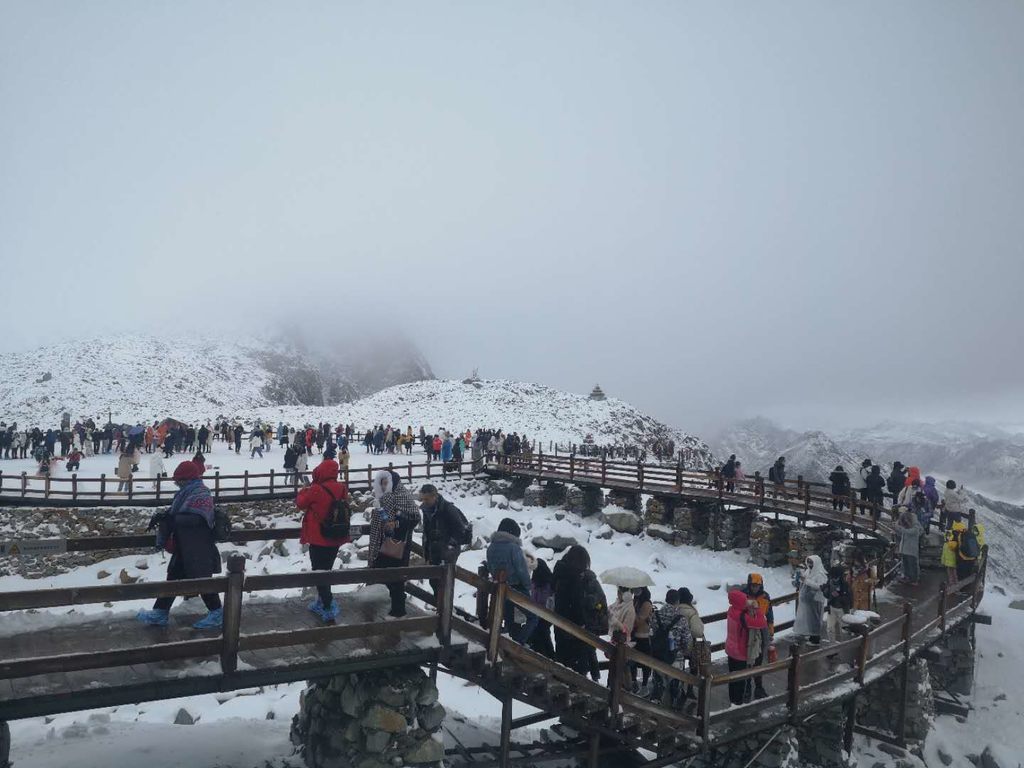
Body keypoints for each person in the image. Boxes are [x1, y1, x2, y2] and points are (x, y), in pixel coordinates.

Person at [137, 461, 223, 629]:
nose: (176, 482)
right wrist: (166, 516)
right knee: (173, 579)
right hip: (185, 545)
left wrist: (170, 519)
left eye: (179, 479)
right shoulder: (186, 492)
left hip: (198, 546)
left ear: (187, 479)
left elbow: (196, 519)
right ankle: (160, 613)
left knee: (202, 580)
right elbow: (179, 514)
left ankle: (217, 614)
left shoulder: (201, 493)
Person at [296, 458, 351, 623]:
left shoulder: (316, 489)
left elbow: (300, 504)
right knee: (326, 570)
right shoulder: (342, 487)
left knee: (318, 572)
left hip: (318, 538)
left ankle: (327, 607)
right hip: (335, 535)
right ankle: (323, 601)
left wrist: (303, 491)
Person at [368, 470, 421, 618]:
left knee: (395, 577)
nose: (384, 486)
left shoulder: (401, 495)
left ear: (394, 483)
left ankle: (398, 610)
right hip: (383, 543)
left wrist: (395, 523)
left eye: (386, 483)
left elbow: (414, 517)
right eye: (382, 483)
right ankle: (393, 607)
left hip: (397, 544)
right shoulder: (384, 497)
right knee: (386, 574)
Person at [485, 518, 532, 641]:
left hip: (500, 587)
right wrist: (528, 586)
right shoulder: (514, 548)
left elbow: (490, 567)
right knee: (533, 616)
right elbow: (521, 570)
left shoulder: (491, 547)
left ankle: (510, 641)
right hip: (517, 588)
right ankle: (519, 642)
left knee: (509, 618)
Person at [420, 484, 470, 596]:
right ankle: (440, 607)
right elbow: (427, 533)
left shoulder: (448, 509)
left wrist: (449, 547)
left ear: (435, 496)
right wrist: (427, 554)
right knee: (434, 581)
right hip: (434, 551)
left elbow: (461, 529)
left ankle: (445, 609)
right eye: (423, 499)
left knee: (444, 583)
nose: (424, 501)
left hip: (446, 551)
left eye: (427, 499)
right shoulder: (426, 510)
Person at [553, 544, 593, 676]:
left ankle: (561, 678)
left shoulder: (559, 572)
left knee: (562, 654)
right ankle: (575, 686)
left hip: (558, 618)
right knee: (577, 659)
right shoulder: (574, 578)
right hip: (572, 623)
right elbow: (576, 603)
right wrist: (582, 621)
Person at [649, 590, 692, 707]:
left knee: (658, 684)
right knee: (675, 687)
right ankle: (673, 712)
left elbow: (651, 634)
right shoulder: (681, 619)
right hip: (675, 658)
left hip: (658, 657)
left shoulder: (656, 615)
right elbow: (687, 641)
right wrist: (683, 650)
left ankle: (655, 707)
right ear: (677, 601)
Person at [724, 589, 768, 705]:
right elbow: (761, 622)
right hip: (740, 652)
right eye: (744, 600)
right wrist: (757, 608)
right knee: (740, 680)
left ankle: (732, 700)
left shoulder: (731, 610)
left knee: (732, 678)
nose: (747, 602)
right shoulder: (741, 616)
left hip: (731, 649)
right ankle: (737, 704)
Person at [740, 574, 774, 699]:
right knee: (748, 660)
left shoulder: (765, 596)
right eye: (753, 585)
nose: (755, 588)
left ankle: (759, 687)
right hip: (747, 632)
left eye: (757, 585)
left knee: (759, 660)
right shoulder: (743, 596)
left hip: (761, 631)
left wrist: (770, 631)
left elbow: (769, 614)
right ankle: (747, 686)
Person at [676, 588, 705, 700]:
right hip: (690, 644)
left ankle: (680, 689)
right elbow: (697, 631)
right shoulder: (691, 612)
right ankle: (690, 689)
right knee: (693, 667)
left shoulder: (675, 609)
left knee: (680, 667)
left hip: (676, 645)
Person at [792, 555, 827, 645]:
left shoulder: (820, 574)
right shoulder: (808, 571)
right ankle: (809, 633)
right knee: (808, 619)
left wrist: (806, 581)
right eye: (809, 562)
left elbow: (820, 586)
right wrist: (799, 579)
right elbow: (804, 580)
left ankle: (815, 639)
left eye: (812, 563)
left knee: (815, 619)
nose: (810, 564)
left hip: (816, 600)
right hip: (808, 600)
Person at [607, 586, 636, 688]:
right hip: (614, 640)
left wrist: (615, 621)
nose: (617, 594)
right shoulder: (617, 604)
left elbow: (626, 629)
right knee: (614, 668)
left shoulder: (630, 609)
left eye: (619, 592)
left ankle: (623, 693)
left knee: (621, 669)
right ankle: (612, 689)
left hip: (623, 643)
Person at [527, 559, 556, 658]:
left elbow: (541, 599)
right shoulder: (542, 582)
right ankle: (549, 657)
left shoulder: (544, 584)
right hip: (543, 615)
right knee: (543, 636)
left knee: (541, 635)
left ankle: (546, 658)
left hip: (543, 615)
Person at [630, 586, 654, 694]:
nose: (635, 591)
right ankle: (633, 681)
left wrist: (631, 613)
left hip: (643, 636)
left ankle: (644, 685)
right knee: (632, 661)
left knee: (645, 662)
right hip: (634, 635)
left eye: (637, 589)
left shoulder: (646, 603)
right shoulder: (635, 600)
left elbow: (639, 620)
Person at [823, 565, 853, 642]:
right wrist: (827, 592)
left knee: (843, 629)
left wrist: (839, 596)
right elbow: (826, 594)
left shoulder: (845, 585)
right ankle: (832, 644)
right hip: (831, 608)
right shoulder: (829, 582)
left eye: (835, 577)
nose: (834, 579)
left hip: (842, 609)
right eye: (832, 577)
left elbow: (849, 600)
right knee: (830, 628)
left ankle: (842, 644)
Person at [897, 508, 923, 586]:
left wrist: (902, 530)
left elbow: (914, 532)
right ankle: (907, 577)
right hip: (905, 547)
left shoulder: (915, 524)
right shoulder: (906, 522)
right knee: (906, 564)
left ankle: (914, 579)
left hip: (911, 548)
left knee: (912, 564)